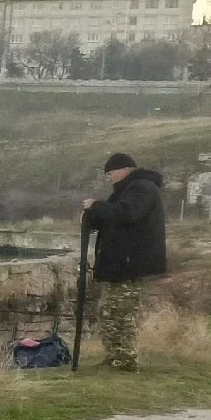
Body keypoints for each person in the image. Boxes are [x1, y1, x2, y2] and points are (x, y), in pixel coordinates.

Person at [80, 152, 168, 372]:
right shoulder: (125, 191)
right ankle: (114, 357)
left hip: (132, 264)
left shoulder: (141, 188)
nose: (108, 177)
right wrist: (92, 216)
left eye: (110, 173)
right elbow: (112, 219)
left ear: (124, 170)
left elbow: (127, 214)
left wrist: (97, 205)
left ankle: (126, 360)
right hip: (121, 264)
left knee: (119, 311)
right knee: (108, 310)